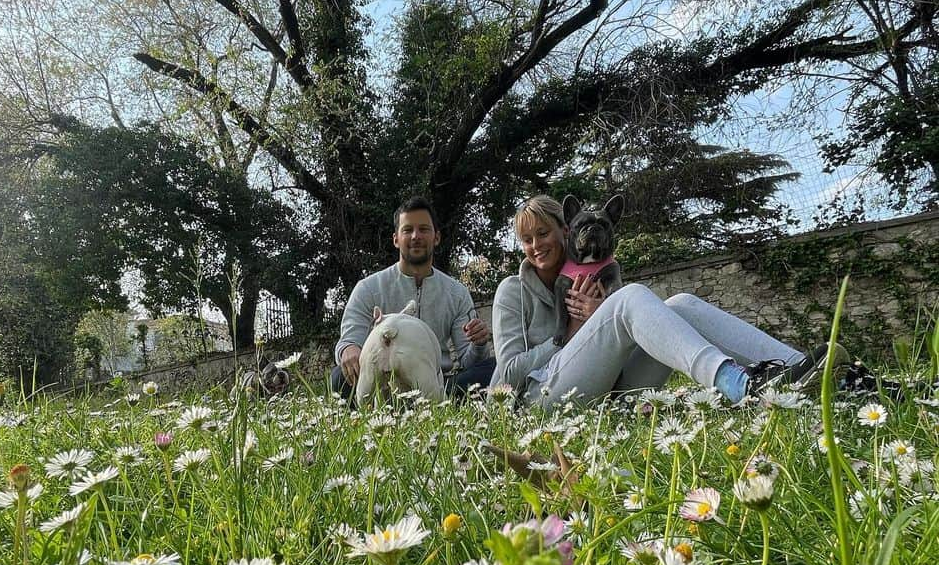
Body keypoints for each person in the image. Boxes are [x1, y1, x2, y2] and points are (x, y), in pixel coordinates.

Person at [490, 195, 842, 406]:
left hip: (612, 394)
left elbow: (625, 344)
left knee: (681, 304)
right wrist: (574, 333)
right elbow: (507, 375)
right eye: (526, 239)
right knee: (630, 298)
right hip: (545, 401)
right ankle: (738, 384)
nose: (536, 245)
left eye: (543, 233)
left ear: (566, 232)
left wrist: (600, 323)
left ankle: (821, 374)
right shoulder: (512, 290)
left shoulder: (598, 275)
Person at [331, 196, 496, 400]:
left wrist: (478, 344)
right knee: (340, 378)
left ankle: (434, 401)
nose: (416, 236)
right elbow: (348, 341)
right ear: (396, 239)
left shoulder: (457, 293)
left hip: (436, 382)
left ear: (436, 237)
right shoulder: (367, 288)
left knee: (492, 369)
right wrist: (348, 349)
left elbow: (468, 360)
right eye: (408, 230)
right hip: (382, 387)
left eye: (424, 229)